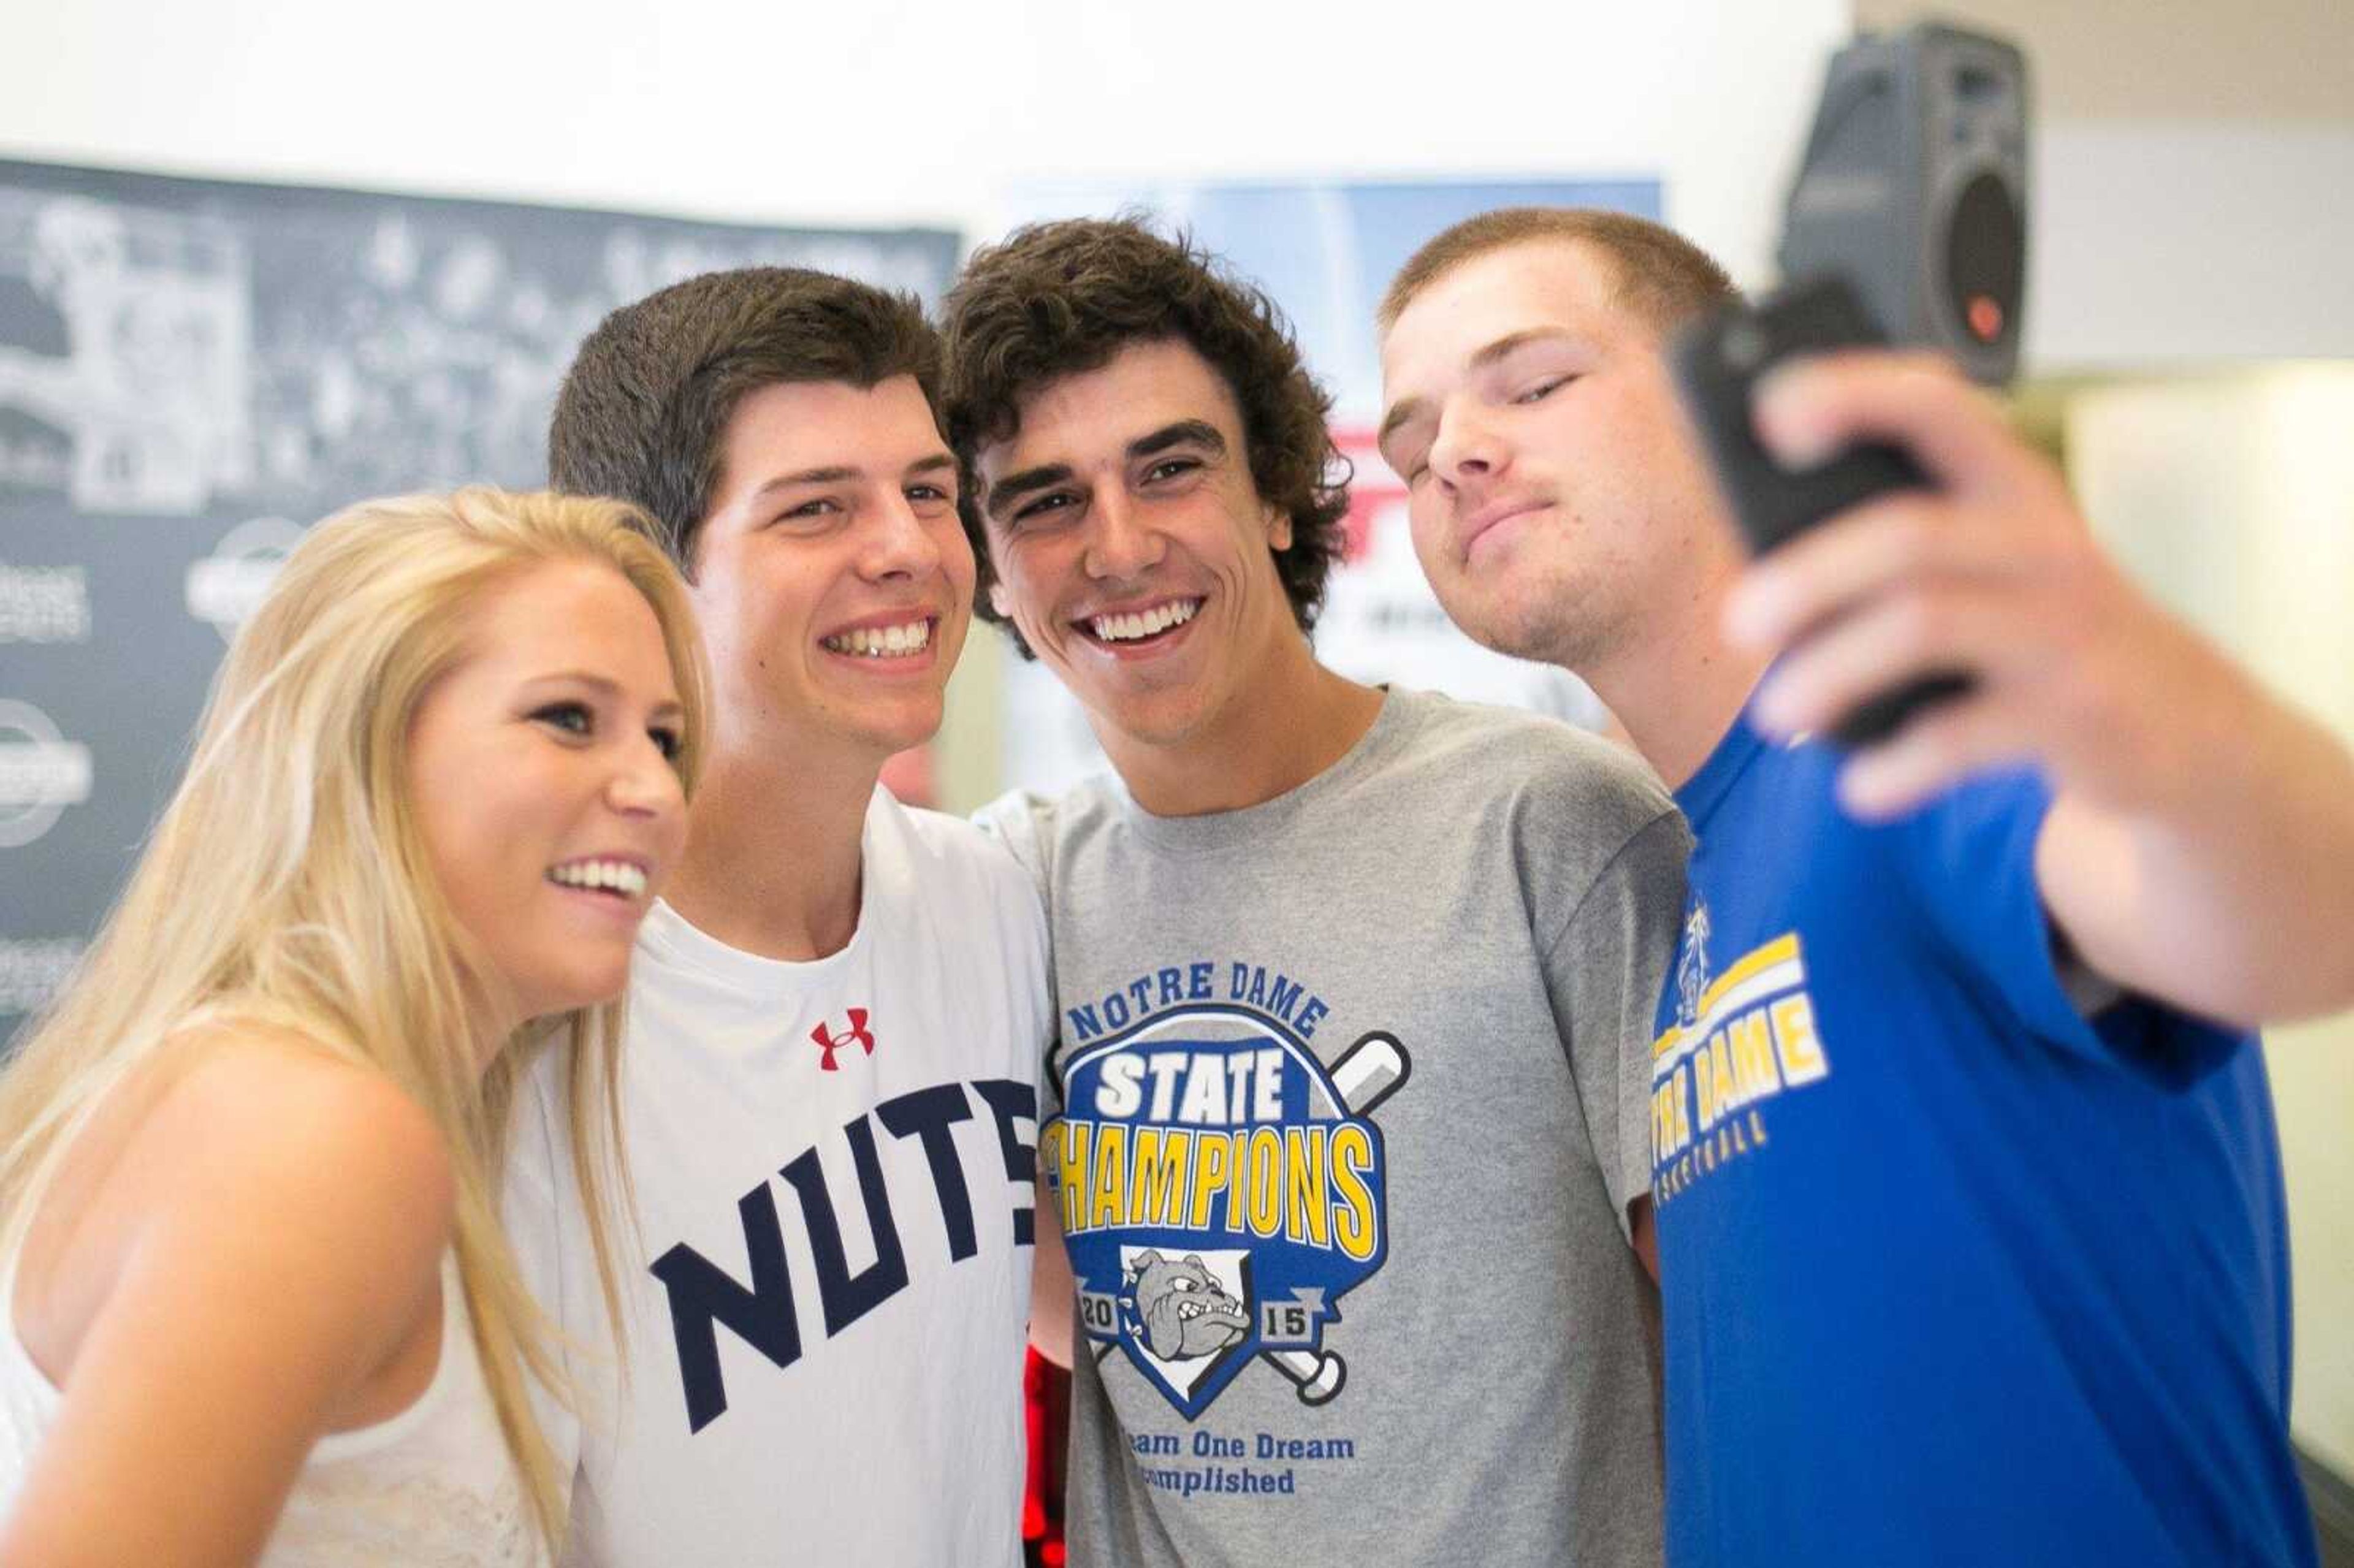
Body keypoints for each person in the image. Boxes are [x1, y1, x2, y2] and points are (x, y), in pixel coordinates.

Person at [1377, 206, 2354, 1566]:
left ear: (1733, 408)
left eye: (1534, 384)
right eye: (1411, 446)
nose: (1457, 456)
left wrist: (2148, 685)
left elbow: (2299, 921)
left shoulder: (1917, 745)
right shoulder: (1687, 873)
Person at [943, 216, 1685, 1567]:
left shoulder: (1555, 828)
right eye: (1045, 501)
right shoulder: (1000, 894)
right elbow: (1077, 1312)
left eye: (1170, 469)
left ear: (1280, 492)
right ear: (990, 565)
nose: (1115, 548)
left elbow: (1743, 1336)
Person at [0, 487, 704, 1566]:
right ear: (360, 743)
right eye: (569, 716)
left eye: (666, 737)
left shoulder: (267, 1088)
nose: (655, 787)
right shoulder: (314, 1134)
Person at [514, 267, 1055, 1567]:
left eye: (929, 490)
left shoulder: (995, 901)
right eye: (817, 508)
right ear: (645, 573)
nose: (910, 549)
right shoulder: (524, 999)